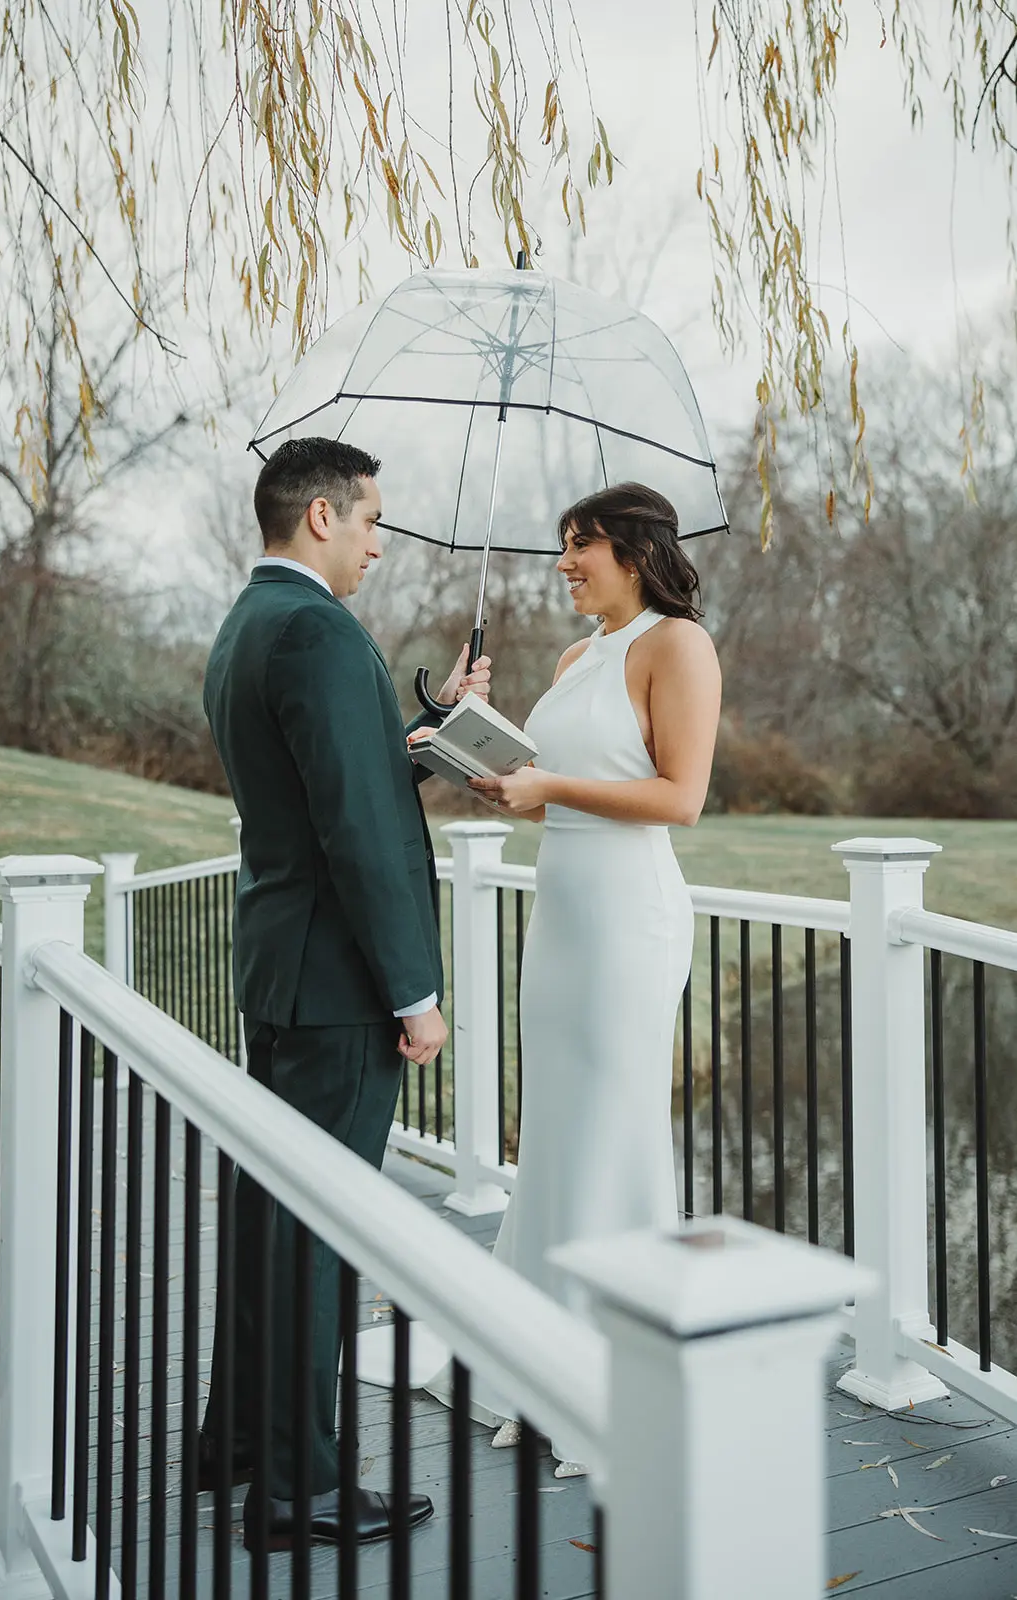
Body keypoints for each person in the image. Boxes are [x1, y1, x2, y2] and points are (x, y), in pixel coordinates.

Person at [196, 436, 491, 1551]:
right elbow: (360, 832)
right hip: (336, 987)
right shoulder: (317, 630)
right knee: (317, 1232)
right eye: (371, 519)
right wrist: (413, 992)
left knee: (276, 1220)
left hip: (285, 971)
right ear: (320, 515)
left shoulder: (252, 624)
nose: (378, 539)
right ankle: (298, 1490)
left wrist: (425, 725)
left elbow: (337, 772)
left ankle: (241, 1449)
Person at [463, 482, 721, 1474]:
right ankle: (540, 1351)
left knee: (614, 1126)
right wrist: (487, 757)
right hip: (561, 912)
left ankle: (621, 1367)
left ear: (635, 551)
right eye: (562, 546)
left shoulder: (676, 644)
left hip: (626, 921)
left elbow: (678, 797)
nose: (565, 563)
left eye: (583, 546)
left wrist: (549, 786)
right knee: (561, 1127)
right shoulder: (576, 656)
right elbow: (549, 799)